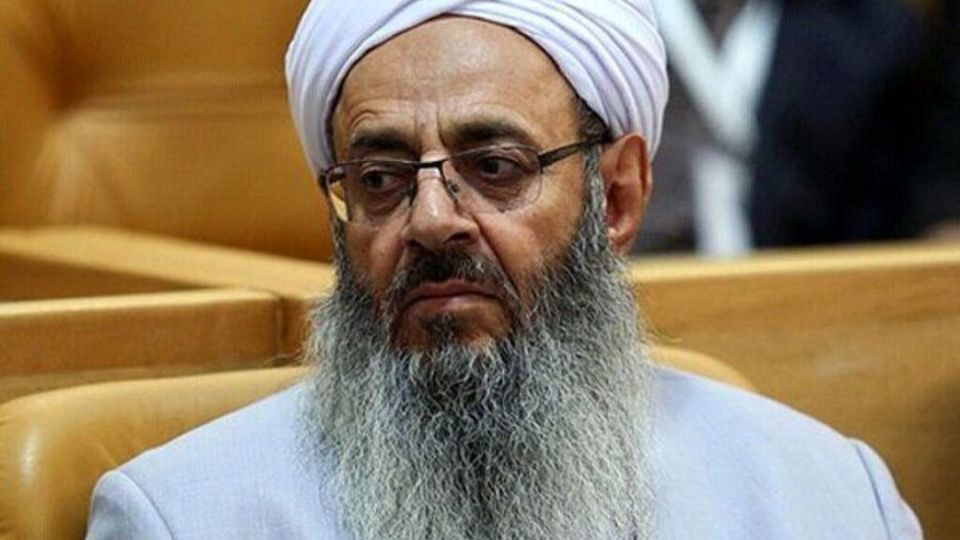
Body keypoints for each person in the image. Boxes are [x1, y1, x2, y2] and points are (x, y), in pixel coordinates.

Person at [85, 1, 922, 539]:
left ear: (618, 197)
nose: (432, 220)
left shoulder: (827, 500)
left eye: (494, 166)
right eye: (379, 179)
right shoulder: (182, 517)